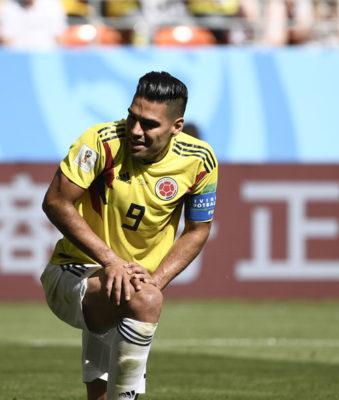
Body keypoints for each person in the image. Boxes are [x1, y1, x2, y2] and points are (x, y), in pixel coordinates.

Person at [40, 71, 218, 400]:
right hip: (73, 271)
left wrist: (155, 279)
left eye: (149, 124)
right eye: (132, 117)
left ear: (176, 126)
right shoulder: (101, 141)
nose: (135, 130)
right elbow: (55, 201)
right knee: (145, 301)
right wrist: (112, 261)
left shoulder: (200, 161)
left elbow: (197, 231)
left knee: (100, 391)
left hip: (125, 284)